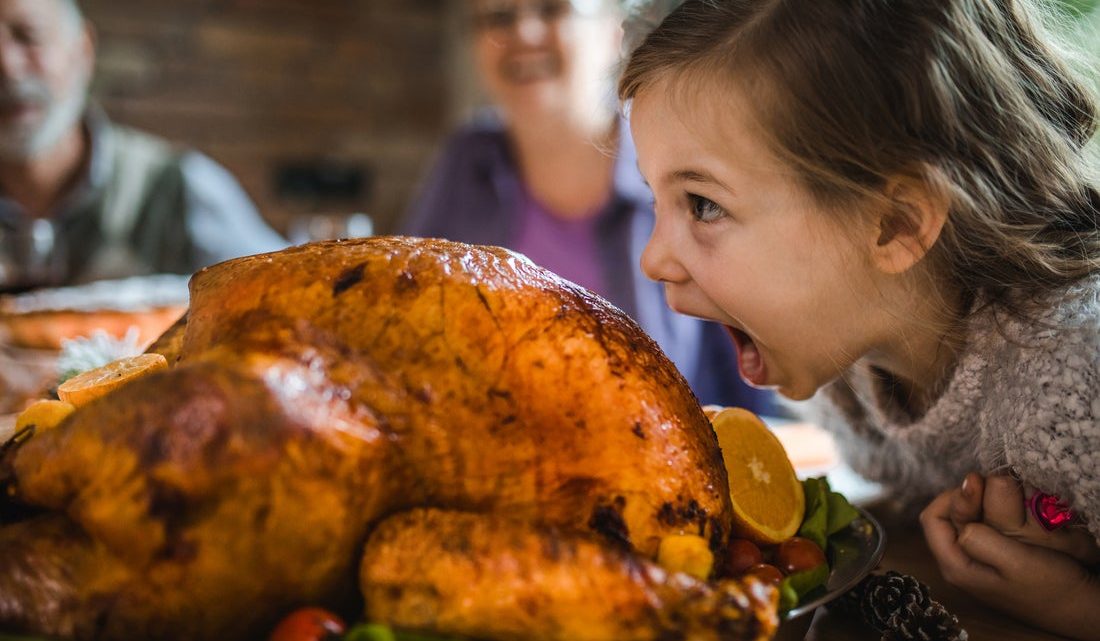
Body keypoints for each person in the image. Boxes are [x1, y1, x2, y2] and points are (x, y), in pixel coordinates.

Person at [619, 0, 1100, 637]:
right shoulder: (844, 363)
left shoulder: (1077, 371)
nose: (653, 258)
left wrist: (1077, 607)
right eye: (657, 199)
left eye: (703, 205)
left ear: (895, 224)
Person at [401, 0, 775, 411]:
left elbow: (755, 378)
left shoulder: (682, 160)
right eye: (499, 18)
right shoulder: (466, 161)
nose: (523, 34)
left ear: (612, 33)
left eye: (552, 10)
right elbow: (408, 323)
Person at [0, 0, 286, 289]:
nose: (7, 66)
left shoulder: (179, 187)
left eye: (28, 36)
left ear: (83, 51)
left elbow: (286, 294)